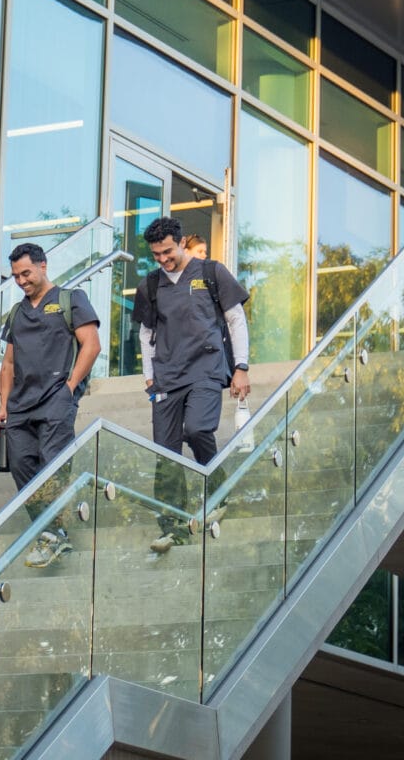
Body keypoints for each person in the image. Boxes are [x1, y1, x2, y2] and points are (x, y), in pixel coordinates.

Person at [133, 215, 250, 554]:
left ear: (182, 242)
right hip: (167, 375)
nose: (163, 259)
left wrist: (240, 367)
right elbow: (145, 334)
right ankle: (173, 526)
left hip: (207, 366)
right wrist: (148, 376)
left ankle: (219, 488)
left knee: (198, 429)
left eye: (168, 251)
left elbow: (235, 319)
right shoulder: (151, 285)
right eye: (156, 254)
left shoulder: (211, 273)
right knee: (165, 453)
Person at [0, 241, 101, 568]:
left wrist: (69, 388)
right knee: (23, 468)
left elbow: (92, 345)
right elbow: (9, 364)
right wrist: (3, 405)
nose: (21, 280)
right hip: (19, 405)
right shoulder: (17, 313)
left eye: (26, 272)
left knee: (53, 464)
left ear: (43, 266)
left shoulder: (71, 300)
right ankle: (53, 533)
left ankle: (52, 535)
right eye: (15, 276)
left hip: (56, 396)